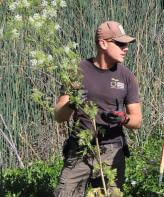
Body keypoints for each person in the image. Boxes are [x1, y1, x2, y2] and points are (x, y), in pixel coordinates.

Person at [54, 21, 142, 197]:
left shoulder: (127, 76)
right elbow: (59, 116)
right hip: (81, 148)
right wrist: (72, 103)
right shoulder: (78, 71)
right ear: (103, 43)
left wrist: (123, 118)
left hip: (111, 151)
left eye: (126, 44)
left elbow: (137, 120)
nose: (126, 48)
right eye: (120, 44)